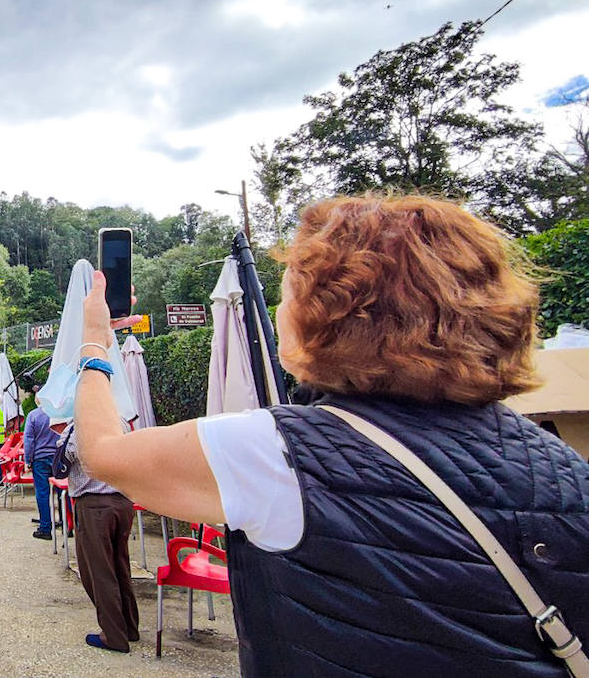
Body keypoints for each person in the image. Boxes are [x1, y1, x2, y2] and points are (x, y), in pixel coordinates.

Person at [74, 195, 589, 674]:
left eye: (288, 295)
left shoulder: (280, 454)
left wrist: (95, 343)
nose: (278, 313)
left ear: (331, 318)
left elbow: (105, 454)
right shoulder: (566, 467)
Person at [58, 411, 140, 652]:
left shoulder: (80, 424)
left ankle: (113, 635)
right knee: (120, 565)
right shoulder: (122, 421)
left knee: (98, 571)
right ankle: (129, 626)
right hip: (122, 501)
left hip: (94, 504)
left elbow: (65, 459)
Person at [23, 399, 59, 540]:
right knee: (63, 491)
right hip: (58, 457)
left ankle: (45, 527)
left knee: (42, 493)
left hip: (40, 458)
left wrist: (28, 460)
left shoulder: (33, 415)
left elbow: (29, 439)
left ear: (38, 400)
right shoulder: (59, 414)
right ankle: (68, 524)